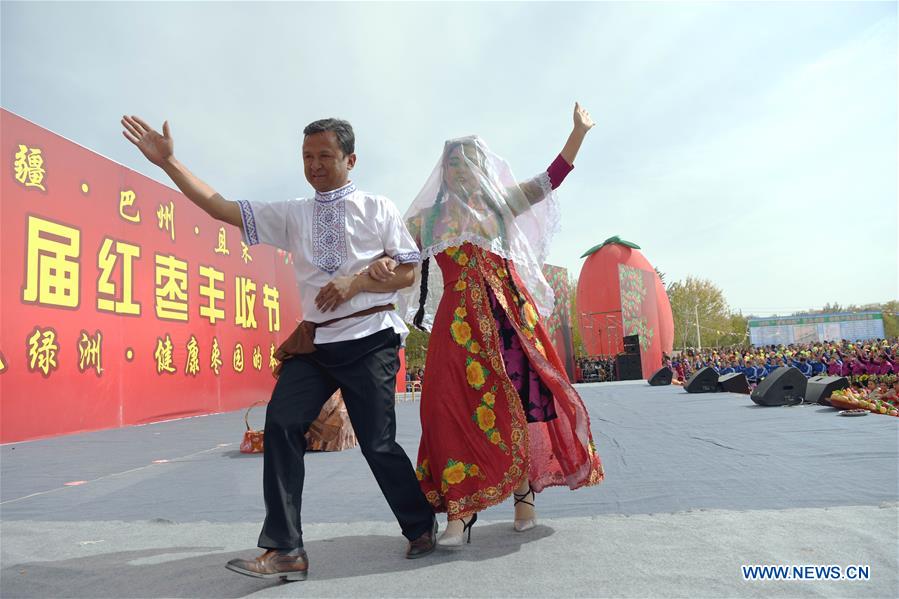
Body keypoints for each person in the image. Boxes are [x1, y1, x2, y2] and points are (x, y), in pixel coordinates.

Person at [121, 114, 438, 581]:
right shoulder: (293, 214)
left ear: (350, 160)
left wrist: (356, 283)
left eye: (325, 156)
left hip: (371, 339)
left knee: (377, 442)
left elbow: (410, 271)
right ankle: (285, 547)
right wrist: (170, 163)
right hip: (315, 344)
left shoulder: (378, 208)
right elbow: (220, 207)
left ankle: (419, 522)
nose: (315, 166)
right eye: (307, 157)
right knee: (281, 423)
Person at [400, 103, 604, 546]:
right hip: (456, 326)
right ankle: (461, 512)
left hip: (506, 317)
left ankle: (523, 493)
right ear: (444, 171)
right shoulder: (427, 220)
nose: (460, 171)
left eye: (469, 162)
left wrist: (578, 134)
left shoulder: (501, 205)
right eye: (452, 164)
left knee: (520, 404)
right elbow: (390, 248)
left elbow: (550, 180)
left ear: (482, 167)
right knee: (447, 407)